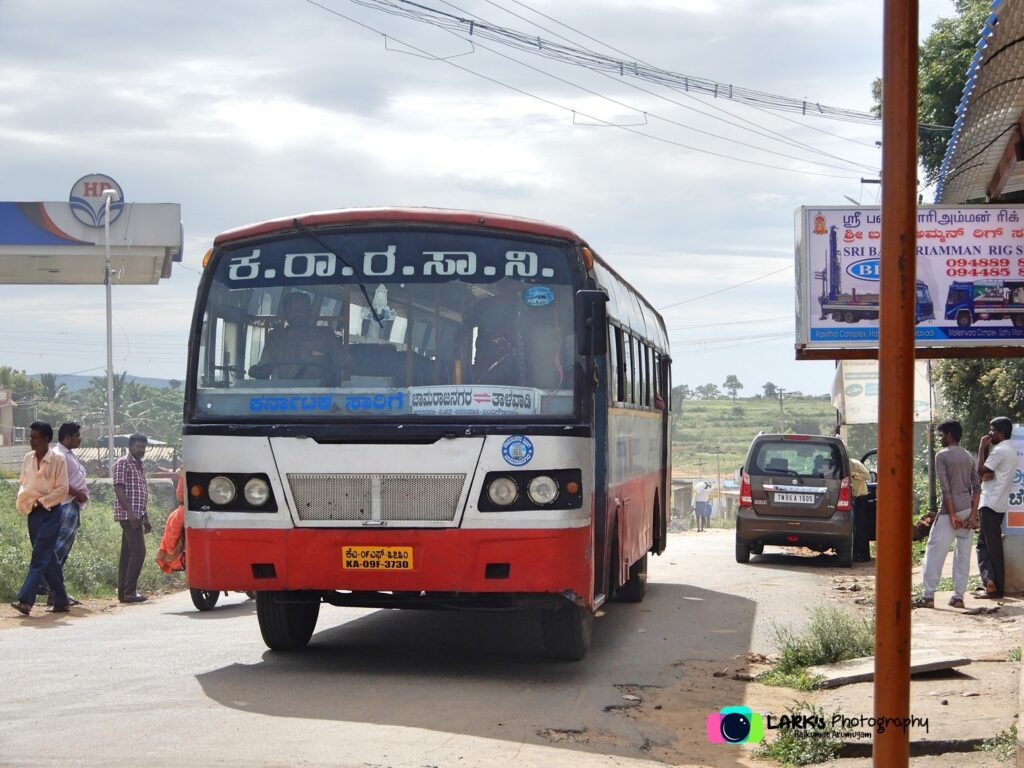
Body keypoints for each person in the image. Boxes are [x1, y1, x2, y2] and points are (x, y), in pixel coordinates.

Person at [914, 420, 980, 609]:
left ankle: (928, 596)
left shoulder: (941, 456)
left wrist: (952, 515)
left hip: (948, 513)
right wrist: (972, 516)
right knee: (963, 555)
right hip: (967, 510)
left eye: (942, 435)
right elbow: (976, 488)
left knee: (934, 552)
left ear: (949, 435)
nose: (940, 439)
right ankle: (958, 596)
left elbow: (946, 489)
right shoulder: (969, 457)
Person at [9, 421, 71, 616]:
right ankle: (61, 599)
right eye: (31, 437)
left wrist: (42, 501)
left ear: (46, 439)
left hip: (51, 511)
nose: (31, 441)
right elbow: (24, 483)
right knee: (47, 556)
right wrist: (27, 503)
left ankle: (26, 600)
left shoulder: (58, 459)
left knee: (39, 557)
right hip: (33, 512)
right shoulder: (28, 458)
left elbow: (63, 489)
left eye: (35, 437)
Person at [249, 291, 349, 385]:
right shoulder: (276, 338)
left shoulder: (326, 335)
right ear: (285, 313)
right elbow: (264, 370)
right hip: (282, 398)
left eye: (302, 309)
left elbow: (345, 366)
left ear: (309, 310)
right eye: (292, 310)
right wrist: (256, 371)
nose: (298, 313)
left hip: (321, 397)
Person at [41, 422, 89, 606]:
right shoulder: (59, 455)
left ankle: (55, 593)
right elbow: (59, 482)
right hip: (65, 505)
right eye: (77, 435)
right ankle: (48, 587)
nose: (79, 439)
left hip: (72, 506)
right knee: (58, 550)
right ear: (67, 437)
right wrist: (78, 494)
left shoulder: (69, 455)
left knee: (63, 551)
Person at [975, 416, 1016, 599]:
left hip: (990, 503)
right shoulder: (1010, 450)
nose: (990, 434)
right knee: (988, 544)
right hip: (998, 504)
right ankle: (990, 582)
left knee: (987, 545)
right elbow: (987, 473)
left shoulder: (999, 450)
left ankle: (994, 586)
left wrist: (982, 448)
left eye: (992, 430)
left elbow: (980, 472)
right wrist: (987, 473)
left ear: (1001, 432)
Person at [113, 433, 152, 603]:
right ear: (130, 447)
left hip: (137, 514)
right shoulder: (123, 463)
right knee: (139, 552)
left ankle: (123, 593)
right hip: (128, 515)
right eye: (138, 447)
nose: (141, 450)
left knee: (127, 553)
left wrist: (145, 517)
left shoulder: (139, 465)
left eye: (143, 447)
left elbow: (140, 492)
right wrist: (130, 513)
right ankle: (130, 592)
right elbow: (119, 489)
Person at [155, 471, 186, 575]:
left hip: (188, 509)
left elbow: (180, 495)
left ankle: (170, 553)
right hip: (188, 509)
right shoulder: (186, 470)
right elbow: (181, 496)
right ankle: (171, 552)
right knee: (174, 520)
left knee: (174, 520)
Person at [849, 456, 873, 562]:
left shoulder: (854, 463)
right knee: (853, 527)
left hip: (860, 497)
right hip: (851, 497)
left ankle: (863, 555)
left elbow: (867, 475)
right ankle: (855, 553)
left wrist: (854, 475)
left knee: (861, 527)